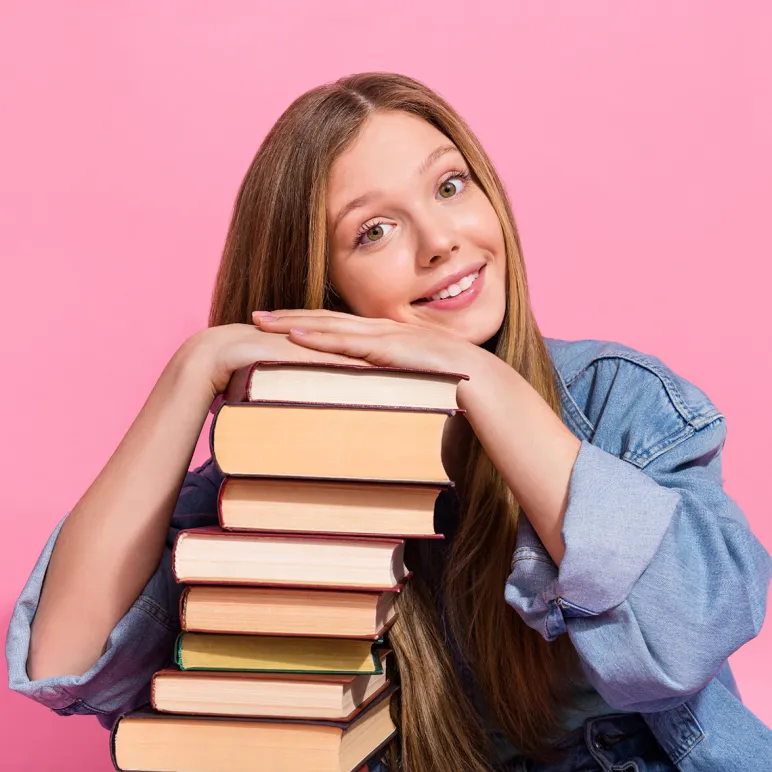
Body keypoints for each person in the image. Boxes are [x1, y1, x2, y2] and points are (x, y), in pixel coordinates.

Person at [6, 71, 772, 772]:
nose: (442, 242)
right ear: (322, 289)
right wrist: (191, 372)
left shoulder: (619, 404)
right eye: (375, 231)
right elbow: (67, 664)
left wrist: (488, 385)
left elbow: (689, 634)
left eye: (449, 185)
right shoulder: (269, 487)